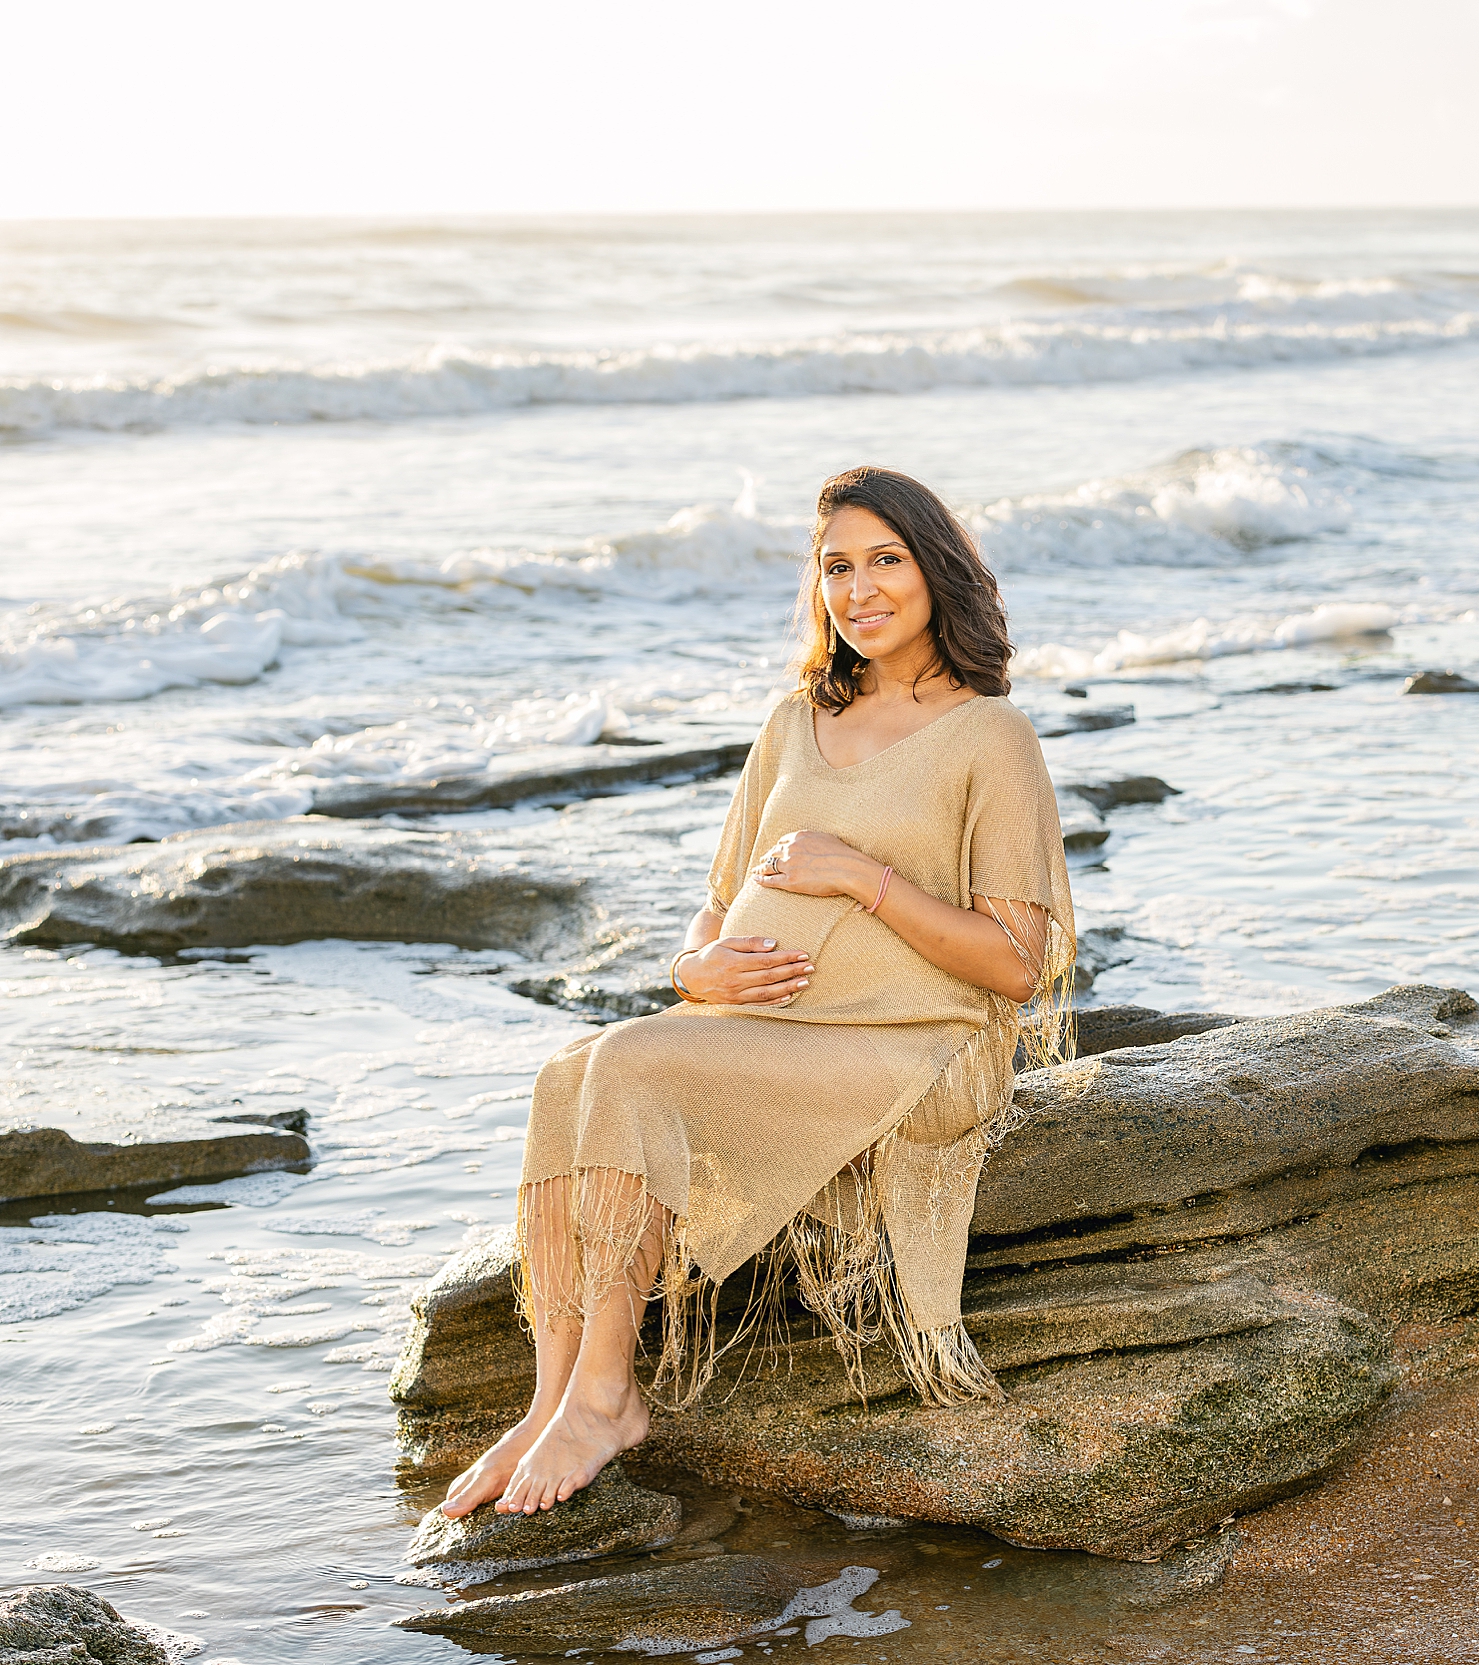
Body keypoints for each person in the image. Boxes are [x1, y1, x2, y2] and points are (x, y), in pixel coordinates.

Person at [440, 466, 1074, 1519]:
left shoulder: (989, 737)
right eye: (837, 568)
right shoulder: (794, 721)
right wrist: (695, 970)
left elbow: (1016, 962)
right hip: (766, 1029)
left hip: (916, 1045)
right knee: (569, 1074)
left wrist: (860, 880)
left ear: (938, 572)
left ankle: (608, 1397)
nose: (860, 589)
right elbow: (719, 901)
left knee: (632, 1064)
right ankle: (554, 1392)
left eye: (886, 561)